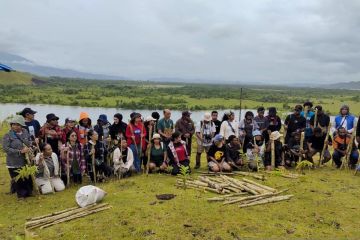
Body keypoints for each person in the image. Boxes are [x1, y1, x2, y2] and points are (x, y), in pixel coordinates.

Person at [2, 115, 33, 198]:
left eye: (18, 124)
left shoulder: (25, 131)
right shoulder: (8, 135)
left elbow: (29, 141)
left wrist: (30, 146)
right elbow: (5, 148)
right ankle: (21, 195)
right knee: (18, 179)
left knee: (26, 177)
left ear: (22, 125)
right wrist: (20, 151)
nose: (15, 126)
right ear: (11, 125)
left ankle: (29, 193)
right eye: (14, 124)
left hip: (25, 160)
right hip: (14, 162)